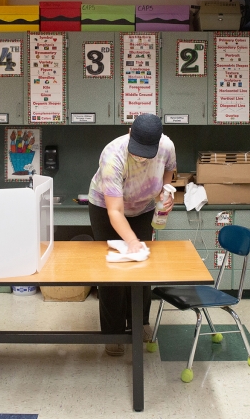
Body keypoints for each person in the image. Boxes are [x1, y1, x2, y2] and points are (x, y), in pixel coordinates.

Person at [88, 113, 177, 356]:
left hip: (144, 208)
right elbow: (115, 210)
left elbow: (169, 172)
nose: (140, 157)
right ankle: (113, 331)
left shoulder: (167, 146)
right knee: (113, 273)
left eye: (146, 152)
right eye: (137, 150)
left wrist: (165, 195)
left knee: (142, 268)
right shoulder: (113, 155)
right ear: (129, 133)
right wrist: (132, 241)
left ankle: (140, 322)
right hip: (106, 208)